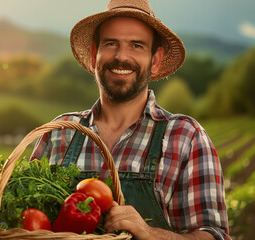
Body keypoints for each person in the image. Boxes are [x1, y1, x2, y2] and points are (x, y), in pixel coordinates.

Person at [30, 0, 230, 239]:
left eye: (136, 45)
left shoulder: (186, 137)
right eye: (111, 43)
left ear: (155, 61)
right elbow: (25, 217)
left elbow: (213, 235)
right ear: (95, 54)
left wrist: (149, 233)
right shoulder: (59, 134)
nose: (121, 56)